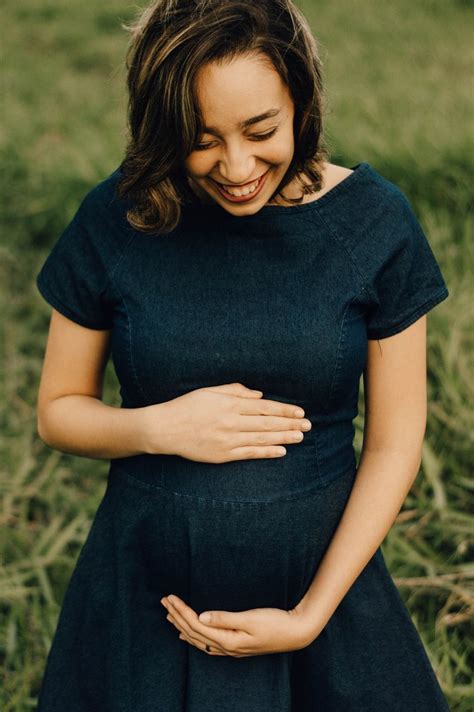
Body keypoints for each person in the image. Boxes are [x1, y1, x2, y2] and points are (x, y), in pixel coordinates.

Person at [34, 1, 451, 710]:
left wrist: (308, 617)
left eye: (262, 131)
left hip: (323, 603)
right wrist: (158, 428)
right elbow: (57, 412)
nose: (235, 166)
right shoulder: (119, 217)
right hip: (144, 606)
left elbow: (393, 442)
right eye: (200, 140)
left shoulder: (375, 223)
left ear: (302, 101)